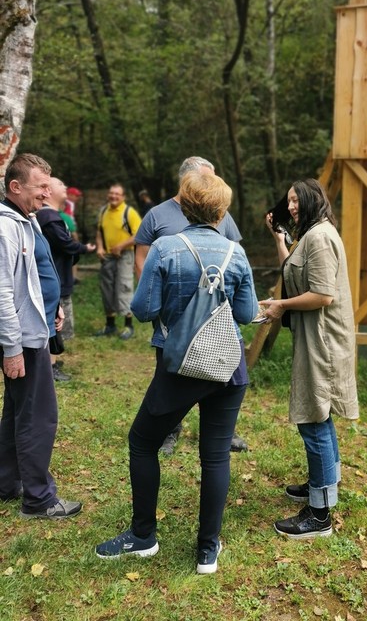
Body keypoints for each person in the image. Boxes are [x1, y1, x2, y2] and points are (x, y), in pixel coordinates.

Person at [95, 170, 258, 574]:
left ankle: (143, 536)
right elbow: (245, 313)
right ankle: (207, 550)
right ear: (222, 213)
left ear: (183, 206)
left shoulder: (166, 247)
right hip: (226, 364)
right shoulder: (236, 254)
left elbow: (144, 310)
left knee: (142, 442)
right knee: (216, 455)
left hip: (181, 365)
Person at [259, 178, 359, 540]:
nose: (292, 205)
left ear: (313, 200)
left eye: (297, 200)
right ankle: (324, 486)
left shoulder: (320, 237)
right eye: (289, 200)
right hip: (315, 339)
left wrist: (280, 305)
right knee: (320, 414)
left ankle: (319, 516)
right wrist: (279, 240)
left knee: (313, 417)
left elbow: (322, 295)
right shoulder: (313, 235)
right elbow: (293, 275)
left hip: (324, 341)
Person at [135, 156, 247, 455]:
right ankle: (170, 430)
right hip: (174, 325)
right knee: (172, 383)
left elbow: (235, 254)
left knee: (217, 380)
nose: (211, 186)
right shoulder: (157, 216)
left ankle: (222, 430)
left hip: (217, 322)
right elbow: (142, 258)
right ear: (186, 183)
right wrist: (153, 294)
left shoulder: (222, 215)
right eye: (205, 179)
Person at [0, 153, 82, 519]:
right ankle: (38, 499)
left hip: (35, 328)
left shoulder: (24, 219)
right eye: (40, 187)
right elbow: (2, 291)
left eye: (49, 187)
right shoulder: (5, 227)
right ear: (15, 186)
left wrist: (51, 309)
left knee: (17, 410)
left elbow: (32, 276)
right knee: (39, 415)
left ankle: (6, 482)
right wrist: (12, 347)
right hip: (23, 338)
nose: (47, 196)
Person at [36, 177, 96, 382]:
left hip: (59, 277)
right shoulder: (48, 217)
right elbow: (66, 244)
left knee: (57, 321)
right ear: (49, 191)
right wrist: (84, 248)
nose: (65, 187)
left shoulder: (52, 216)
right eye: (61, 184)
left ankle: (51, 362)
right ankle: (50, 367)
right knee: (55, 323)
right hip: (55, 280)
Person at [94, 183, 142, 340]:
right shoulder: (103, 211)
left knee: (124, 287)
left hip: (125, 255)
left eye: (117, 194)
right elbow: (99, 232)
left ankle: (128, 326)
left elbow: (139, 236)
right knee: (107, 289)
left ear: (123, 197)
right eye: (111, 193)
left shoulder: (129, 212)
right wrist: (100, 247)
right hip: (107, 256)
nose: (113, 196)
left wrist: (120, 246)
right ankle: (110, 325)